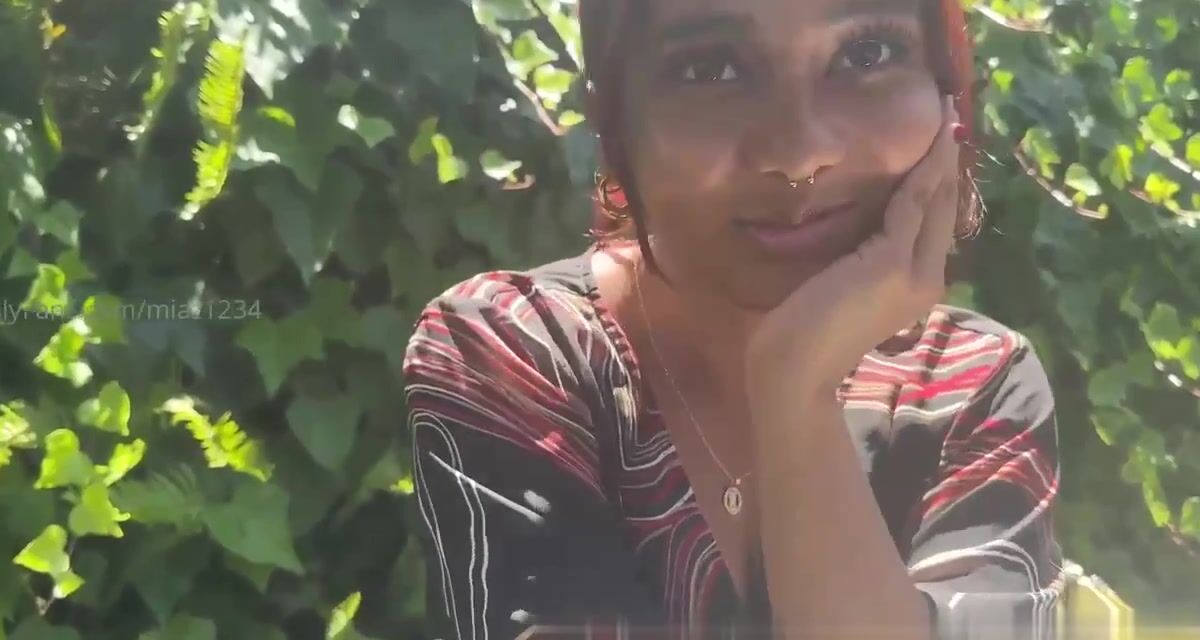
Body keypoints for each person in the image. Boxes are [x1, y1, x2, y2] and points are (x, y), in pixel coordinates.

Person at [402, 0, 1064, 637]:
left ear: (946, 93)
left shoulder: (973, 387)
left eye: (867, 53)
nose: (799, 154)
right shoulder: (520, 352)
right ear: (615, 118)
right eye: (710, 69)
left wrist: (797, 393)